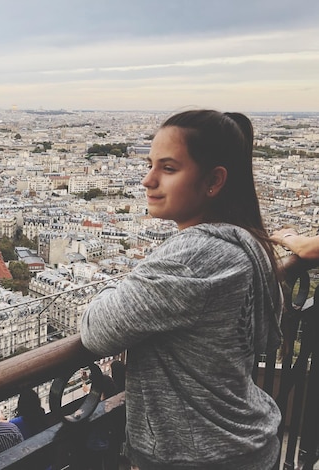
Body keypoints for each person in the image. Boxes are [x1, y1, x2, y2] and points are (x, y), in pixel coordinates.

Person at [81, 110, 283, 470]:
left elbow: (97, 329)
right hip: (246, 441)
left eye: (168, 168)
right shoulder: (249, 244)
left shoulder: (192, 259)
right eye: (150, 164)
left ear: (214, 181)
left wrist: (123, 284)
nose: (148, 180)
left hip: (197, 456)